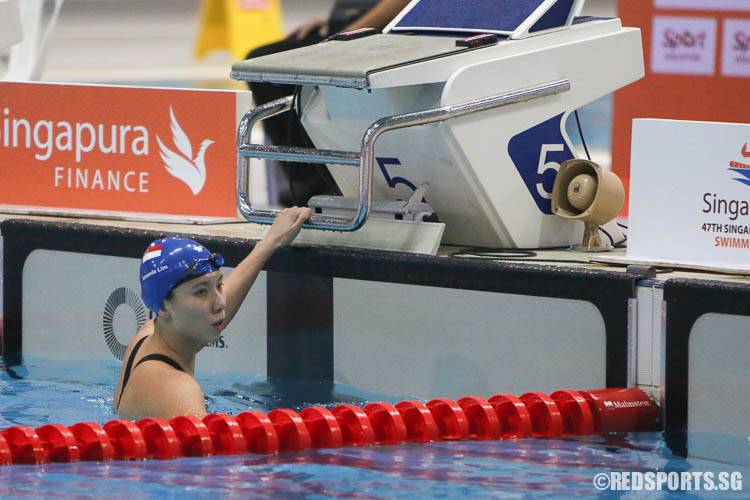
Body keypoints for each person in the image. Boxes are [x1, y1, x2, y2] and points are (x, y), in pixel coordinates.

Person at [113, 206, 312, 419]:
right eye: (201, 292)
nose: (220, 303)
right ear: (163, 307)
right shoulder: (179, 391)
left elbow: (223, 297)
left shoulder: (148, 337)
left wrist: (269, 243)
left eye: (218, 285)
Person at [245, 0, 411, 206]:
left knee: (269, 67)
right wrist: (336, 22)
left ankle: (321, 180)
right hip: (354, 24)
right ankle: (309, 177)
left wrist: (348, 33)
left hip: (381, 32)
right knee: (263, 65)